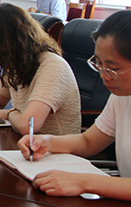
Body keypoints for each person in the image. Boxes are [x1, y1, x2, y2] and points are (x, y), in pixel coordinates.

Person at [17, 10, 131, 199]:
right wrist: (48, 142)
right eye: (99, 63)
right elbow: (88, 142)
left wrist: (84, 182)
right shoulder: (121, 96)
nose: (103, 75)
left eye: (113, 68)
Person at [0, 3, 80, 135]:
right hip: (23, 142)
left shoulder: (53, 67)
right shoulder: (16, 63)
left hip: (53, 146)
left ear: (7, 44)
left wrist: (9, 113)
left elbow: (28, 125)